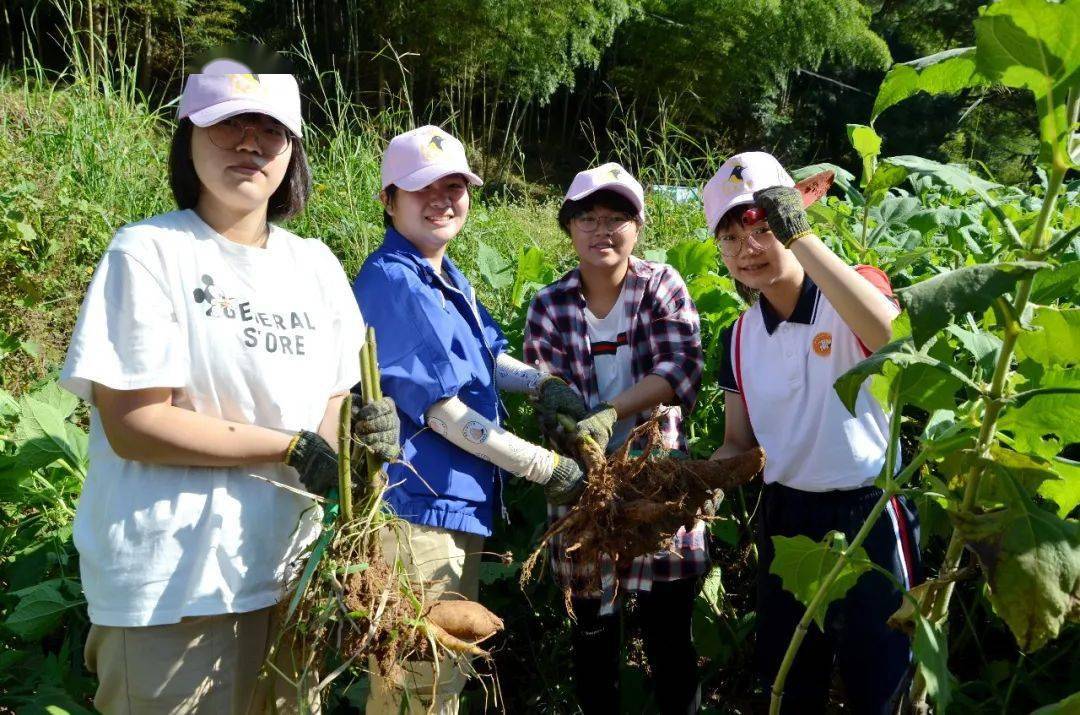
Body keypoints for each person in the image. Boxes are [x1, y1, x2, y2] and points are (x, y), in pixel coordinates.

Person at [59, 60, 398, 714]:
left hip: (291, 581)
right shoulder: (150, 251)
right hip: (175, 588)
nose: (249, 143)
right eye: (227, 125)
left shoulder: (316, 266)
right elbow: (135, 424)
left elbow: (332, 414)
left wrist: (365, 443)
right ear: (187, 139)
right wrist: (286, 446)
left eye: (270, 131)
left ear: (292, 153)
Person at [352, 125, 591, 714]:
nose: (443, 200)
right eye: (423, 187)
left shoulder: (444, 275)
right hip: (417, 510)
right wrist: (543, 467)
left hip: (456, 507)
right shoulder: (392, 279)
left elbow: (490, 356)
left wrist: (542, 384)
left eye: (455, 186)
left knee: (444, 678)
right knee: (416, 683)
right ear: (389, 199)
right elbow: (443, 412)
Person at [704, 152, 921, 714]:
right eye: (730, 238)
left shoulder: (852, 291)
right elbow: (738, 442)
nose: (747, 249)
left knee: (881, 678)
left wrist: (802, 238)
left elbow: (893, 338)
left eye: (762, 228)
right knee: (791, 677)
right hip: (787, 516)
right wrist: (696, 484)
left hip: (869, 511)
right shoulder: (739, 338)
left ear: (791, 221)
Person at [523, 163, 706, 714]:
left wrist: (610, 412)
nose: (602, 230)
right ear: (569, 227)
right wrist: (575, 427)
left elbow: (680, 368)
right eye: (588, 218)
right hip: (584, 493)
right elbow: (545, 391)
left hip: (658, 483)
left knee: (670, 638)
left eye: (616, 219)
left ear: (638, 227)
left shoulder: (661, 285)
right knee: (593, 644)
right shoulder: (549, 305)